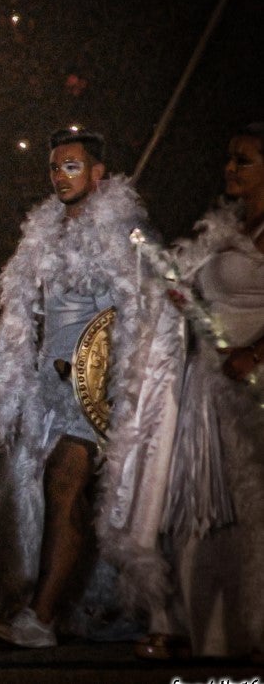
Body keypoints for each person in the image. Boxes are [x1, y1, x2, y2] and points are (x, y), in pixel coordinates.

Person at [0, 128, 183, 648]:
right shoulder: (45, 231)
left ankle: (40, 618)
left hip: (94, 393)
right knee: (53, 497)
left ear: (98, 173)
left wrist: (116, 382)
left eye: (72, 166)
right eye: (55, 167)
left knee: (63, 488)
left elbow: (155, 303)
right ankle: (73, 602)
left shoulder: (127, 231)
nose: (60, 176)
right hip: (47, 389)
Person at [142, 123, 264, 660]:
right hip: (206, 383)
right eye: (229, 158)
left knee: (252, 505)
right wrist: (181, 299)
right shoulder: (226, 225)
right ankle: (195, 626)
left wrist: (255, 355)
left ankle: (253, 630)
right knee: (197, 502)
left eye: (244, 160)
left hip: (252, 388)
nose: (230, 168)